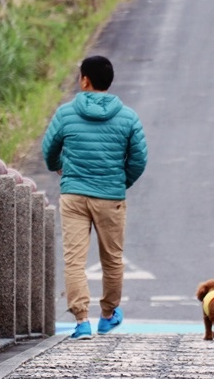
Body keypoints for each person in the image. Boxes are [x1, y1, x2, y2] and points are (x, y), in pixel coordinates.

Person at [42, 55, 148, 340]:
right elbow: (139, 159)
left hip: (74, 195)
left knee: (74, 260)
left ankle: (81, 322)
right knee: (112, 259)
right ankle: (107, 315)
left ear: (85, 80)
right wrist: (120, 181)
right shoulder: (128, 117)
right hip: (110, 198)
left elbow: (48, 149)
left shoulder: (66, 113)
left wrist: (59, 168)